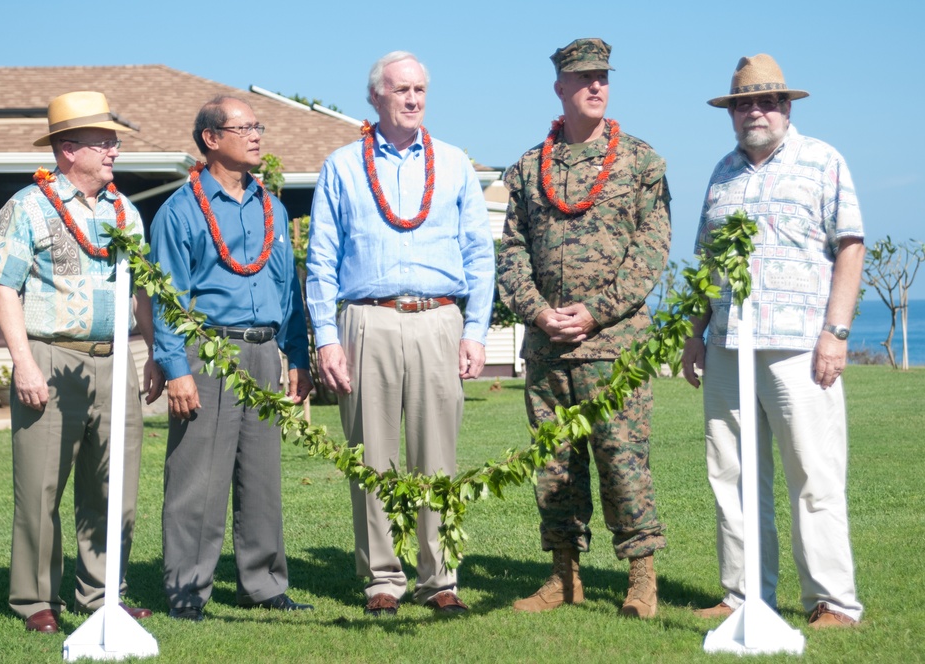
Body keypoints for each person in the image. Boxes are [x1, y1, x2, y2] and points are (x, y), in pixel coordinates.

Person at [306, 51, 495, 617]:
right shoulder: (341, 166)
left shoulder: (455, 162)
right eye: (400, 90)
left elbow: (479, 255)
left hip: (440, 318)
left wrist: (477, 330)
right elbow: (320, 260)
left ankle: (439, 578)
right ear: (376, 98)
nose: (412, 98)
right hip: (368, 319)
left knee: (437, 457)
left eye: (419, 89)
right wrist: (325, 337)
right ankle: (381, 579)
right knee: (373, 458)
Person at [682, 54, 865, 629]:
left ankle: (832, 601)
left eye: (764, 101)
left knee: (813, 473)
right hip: (727, 345)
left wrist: (835, 334)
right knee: (731, 475)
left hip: (799, 348)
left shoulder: (823, 161)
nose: (753, 112)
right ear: (731, 113)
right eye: (742, 104)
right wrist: (694, 336)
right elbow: (707, 262)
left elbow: (850, 247)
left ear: (786, 107)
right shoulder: (721, 173)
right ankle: (741, 596)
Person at [497, 38, 670, 618]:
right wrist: (539, 311)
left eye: (602, 77)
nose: (596, 86)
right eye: (583, 78)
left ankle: (641, 580)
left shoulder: (641, 162)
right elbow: (513, 252)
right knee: (554, 466)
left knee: (622, 461)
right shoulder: (527, 168)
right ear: (560, 88)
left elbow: (651, 251)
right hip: (549, 347)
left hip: (612, 346)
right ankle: (564, 576)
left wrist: (596, 311)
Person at [0, 90, 164, 634]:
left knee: (115, 483)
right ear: (67, 148)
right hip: (49, 353)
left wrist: (153, 350)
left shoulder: (124, 210)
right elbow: (1, 287)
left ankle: (104, 592)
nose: (114, 149)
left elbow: (140, 290)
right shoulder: (26, 206)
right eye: (103, 141)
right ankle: (34, 599)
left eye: (113, 141)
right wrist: (24, 363)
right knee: (40, 487)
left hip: (115, 359)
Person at [151, 96, 313, 622]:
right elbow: (166, 297)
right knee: (197, 477)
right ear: (210, 139)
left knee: (261, 474)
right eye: (243, 127)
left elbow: (289, 289)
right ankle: (186, 591)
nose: (256, 135)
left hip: (266, 351)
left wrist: (296, 356)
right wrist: (176, 369)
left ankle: (263, 584)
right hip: (210, 353)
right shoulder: (181, 210)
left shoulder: (272, 207)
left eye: (257, 126)